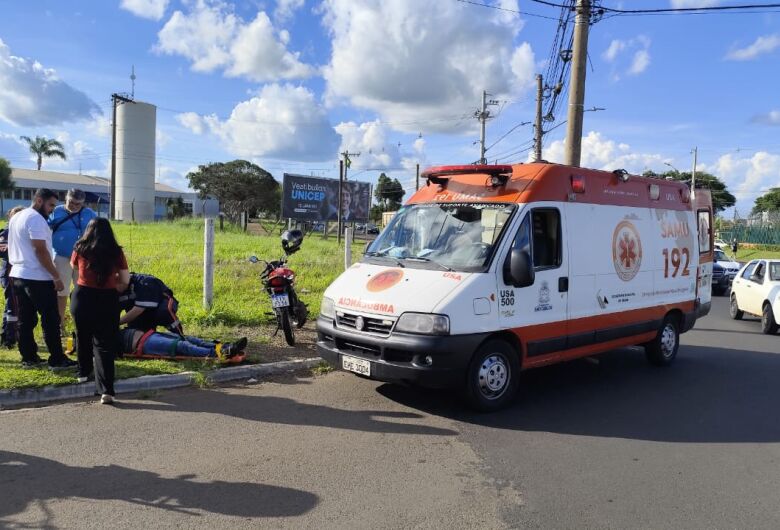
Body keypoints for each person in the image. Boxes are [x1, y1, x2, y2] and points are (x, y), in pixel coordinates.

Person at [8, 189, 76, 370]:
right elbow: (40, 250)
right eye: (51, 205)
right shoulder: (36, 219)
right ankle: (57, 359)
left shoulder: (17, 216)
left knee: (26, 319)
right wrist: (55, 276)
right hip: (37, 276)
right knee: (50, 319)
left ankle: (28, 357)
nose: (52, 210)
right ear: (39, 200)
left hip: (18, 274)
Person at [70, 218, 129, 404]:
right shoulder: (115, 251)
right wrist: (116, 282)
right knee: (104, 343)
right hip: (107, 298)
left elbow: (74, 269)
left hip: (82, 296)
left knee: (83, 335)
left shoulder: (80, 248)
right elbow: (126, 280)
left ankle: (82, 372)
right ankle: (106, 390)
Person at [48, 189, 97, 329]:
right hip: (61, 257)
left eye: (78, 204)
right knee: (60, 291)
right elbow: (44, 231)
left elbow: (98, 233)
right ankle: (60, 324)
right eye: (71, 202)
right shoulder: (55, 212)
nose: (74, 206)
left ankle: (82, 324)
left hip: (84, 259)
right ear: (66, 198)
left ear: (83, 203)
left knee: (82, 291)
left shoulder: (90, 214)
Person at [119, 328, 247, 361]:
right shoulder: (103, 339)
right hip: (142, 344)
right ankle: (222, 353)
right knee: (182, 346)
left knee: (190, 339)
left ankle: (224, 347)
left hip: (149, 335)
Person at [0, 206, 25, 348]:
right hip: (10, 272)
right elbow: (2, 249)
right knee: (12, 305)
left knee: (16, 304)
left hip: (18, 272)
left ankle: (11, 334)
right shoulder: (8, 231)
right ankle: (9, 337)